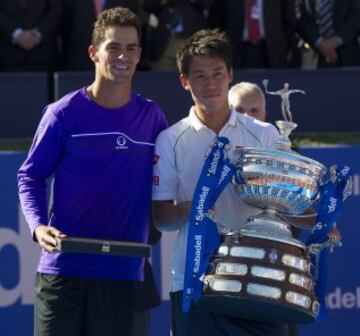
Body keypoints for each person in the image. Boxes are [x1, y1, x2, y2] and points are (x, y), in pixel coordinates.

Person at [17, 6, 167, 336]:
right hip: (63, 271)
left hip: (123, 275)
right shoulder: (61, 114)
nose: (122, 56)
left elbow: (170, 179)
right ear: (93, 53)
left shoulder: (152, 117)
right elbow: (31, 176)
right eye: (113, 46)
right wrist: (39, 226)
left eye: (130, 48)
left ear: (140, 55)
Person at [152, 28, 289, 335]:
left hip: (258, 277)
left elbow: (284, 204)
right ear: (184, 81)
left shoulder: (265, 134)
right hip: (194, 282)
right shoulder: (169, 140)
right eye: (199, 76)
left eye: (217, 73)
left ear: (230, 75)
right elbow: (161, 219)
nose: (210, 83)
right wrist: (197, 206)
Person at [208, 0, 297, 69]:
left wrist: (281, 45)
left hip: (270, 51)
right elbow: (215, 19)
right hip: (236, 51)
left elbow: (289, 19)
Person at [296, 0, 360, 68]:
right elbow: (299, 16)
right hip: (310, 57)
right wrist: (319, 43)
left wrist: (336, 41)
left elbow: (356, 16)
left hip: (348, 56)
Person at [0, 0, 62, 71]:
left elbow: (57, 9)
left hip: (44, 59)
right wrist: (16, 33)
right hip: (6, 58)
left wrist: (38, 33)